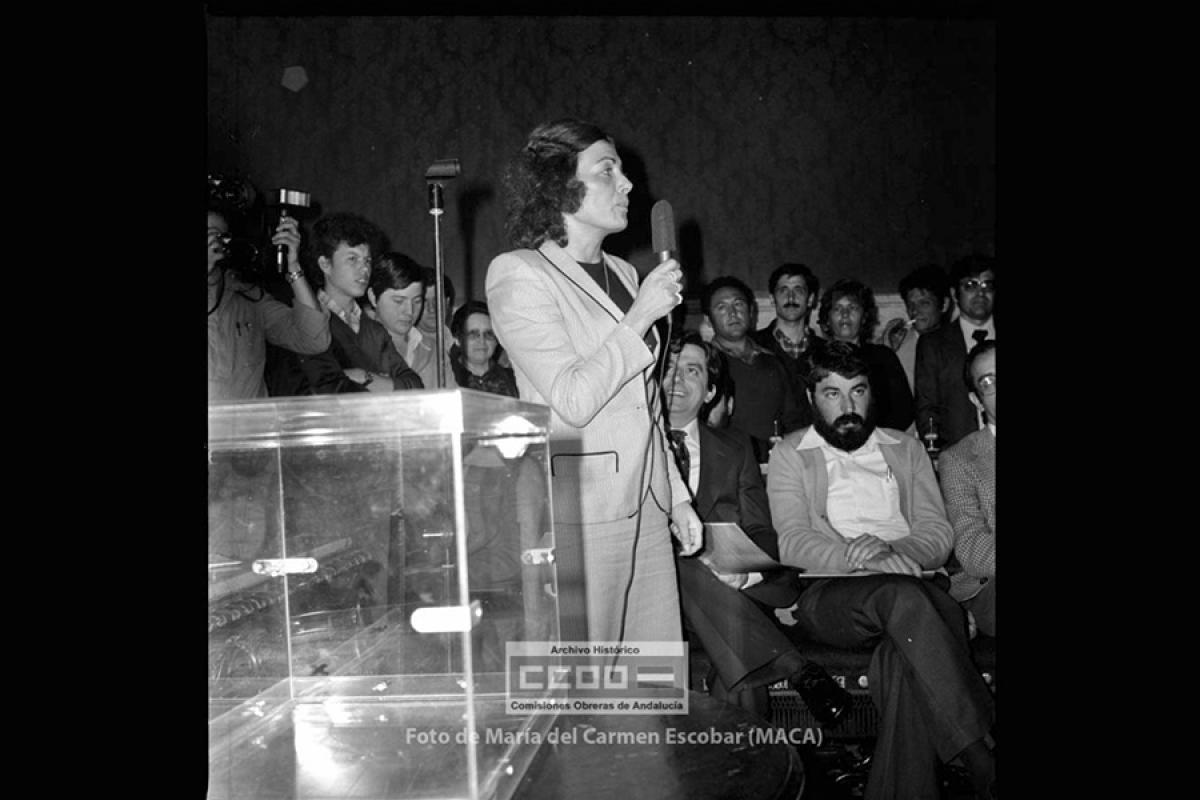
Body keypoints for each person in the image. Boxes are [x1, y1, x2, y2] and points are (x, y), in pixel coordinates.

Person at [485, 117, 701, 649]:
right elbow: (571, 401)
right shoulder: (518, 273)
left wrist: (675, 498)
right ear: (559, 185)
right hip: (580, 512)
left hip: (645, 502)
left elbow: (646, 407)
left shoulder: (626, 275)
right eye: (608, 171)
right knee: (581, 687)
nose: (627, 184)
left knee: (645, 686)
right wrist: (640, 318)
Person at [767, 341, 995, 800]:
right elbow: (792, 541)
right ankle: (982, 755)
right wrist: (865, 556)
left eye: (858, 391)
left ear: (873, 394)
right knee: (905, 598)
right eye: (832, 394)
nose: (848, 406)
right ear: (812, 398)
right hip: (833, 594)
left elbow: (936, 534)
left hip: (911, 585)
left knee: (903, 660)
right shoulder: (792, 453)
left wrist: (893, 552)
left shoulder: (904, 448)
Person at [664, 331, 850, 723]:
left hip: (730, 607)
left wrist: (744, 576)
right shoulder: (630, 448)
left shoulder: (734, 448)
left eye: (692, 370)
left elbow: (762, 533)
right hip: (655, 607)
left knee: (738, 675)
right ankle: (797, 670)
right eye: (669, 370)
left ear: (711, 390)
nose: (677, 380)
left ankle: (743, 782)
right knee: (670, 555)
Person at [265, 212, 423, 396]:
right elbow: (323, 390)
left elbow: (413, 384)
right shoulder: (306, 323)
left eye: (367, 261)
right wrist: (385, 383)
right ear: (325, 264)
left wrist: (365, 377)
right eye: (352, 259)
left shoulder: (373, 329)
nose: (364, 269)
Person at [207, 205, 330, 402]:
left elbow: (313, 340)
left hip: (246, 428)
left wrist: (293, 265)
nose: (213, 243)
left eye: (220, 236)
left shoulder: (248, 298)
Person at [702, 275, 808, 465]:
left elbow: (793, 419)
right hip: (725, 466)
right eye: (722, 308)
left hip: (774, 465)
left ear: (751, 311)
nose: (733, 313)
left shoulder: (773, 361)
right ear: (708, 320)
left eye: (738, 304)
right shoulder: (703, 363)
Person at [939, 340, 996, 637]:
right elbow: (972, 549)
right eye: (989, 382)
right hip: (989, 588)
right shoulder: (959, 460)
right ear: (976, 400)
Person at [914, 253, 996, 449]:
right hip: (960, 455)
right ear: (953, 293)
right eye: (970, 286)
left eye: (987, 286)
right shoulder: (933, 344)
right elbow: (927, 409)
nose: (980, 293)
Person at [816, 277, 914, 432]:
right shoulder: (814, 358)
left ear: (864, 318)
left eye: (853, 308)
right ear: (827, 319)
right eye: (837, 309)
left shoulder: (883, 357)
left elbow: (903, 412)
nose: (845, 315)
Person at [364, 252, 457, 390]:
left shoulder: (434, 351)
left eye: (417, 301)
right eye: (398, 301)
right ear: (373, 297)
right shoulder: (355, 343)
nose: (409, 311)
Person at [751, 262, 823, 408]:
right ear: (772, 298)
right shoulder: (752, 346)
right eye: (783, 290)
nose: (791, 297)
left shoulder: (825, 351)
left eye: (799, 290)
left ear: (810, 299)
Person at [882, 263, 952, 394]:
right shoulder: (897, 344)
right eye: (910, 305)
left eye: (924, 303)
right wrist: (888, 352)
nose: (915, 311)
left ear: (944, 305)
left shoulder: (956, 342)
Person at [449, 300, 518, 396]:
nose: (482, 341)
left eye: (488, 334)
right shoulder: (445, 378)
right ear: (458, 339)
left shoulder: (514, 380)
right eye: (473, 334)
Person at [414, 266, 458, 388]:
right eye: (424, 301)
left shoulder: (463, 345)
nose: (432, 308)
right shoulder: (408, 349)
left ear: (447, 302)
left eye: (436, 300)